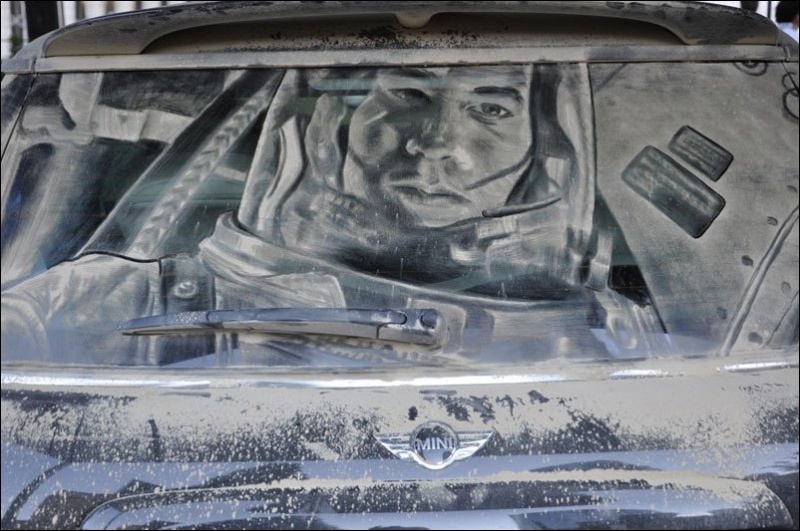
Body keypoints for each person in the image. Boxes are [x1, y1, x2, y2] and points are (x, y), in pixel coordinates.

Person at [1, 63, 627, 365]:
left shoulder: (626, 336)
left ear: (542, 145)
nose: (439, 143)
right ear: (332, 122)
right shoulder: (107, 303)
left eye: (492, 109)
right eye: (408, 94)